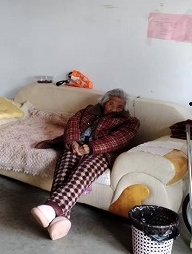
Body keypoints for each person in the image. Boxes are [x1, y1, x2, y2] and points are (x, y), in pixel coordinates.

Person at [31, 88, 140, 240]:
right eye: (111, 104)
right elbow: (72, 125)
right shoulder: (87, 111)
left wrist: (92, 147)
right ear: (104, 102)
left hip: (102, 153)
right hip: (77, 146)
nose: (114, 108)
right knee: (64, 170)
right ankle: (61, 219)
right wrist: (73, 142)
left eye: (119, 106)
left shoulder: (130, 122)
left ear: (124, 108)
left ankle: (52, 208)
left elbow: (119, 139)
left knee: (82, 172)